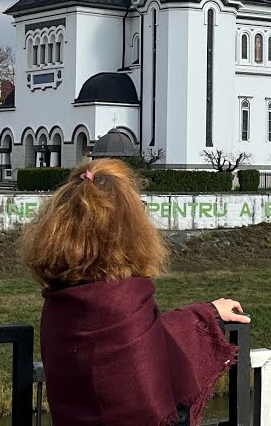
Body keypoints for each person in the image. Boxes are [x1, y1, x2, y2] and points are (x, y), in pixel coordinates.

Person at [19, 158, 250, 425]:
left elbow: (140, 339)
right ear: (128, 228)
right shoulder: (123, 298)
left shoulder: (60, 301)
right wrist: (205, 318)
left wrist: (204, 313)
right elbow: (145, 356)